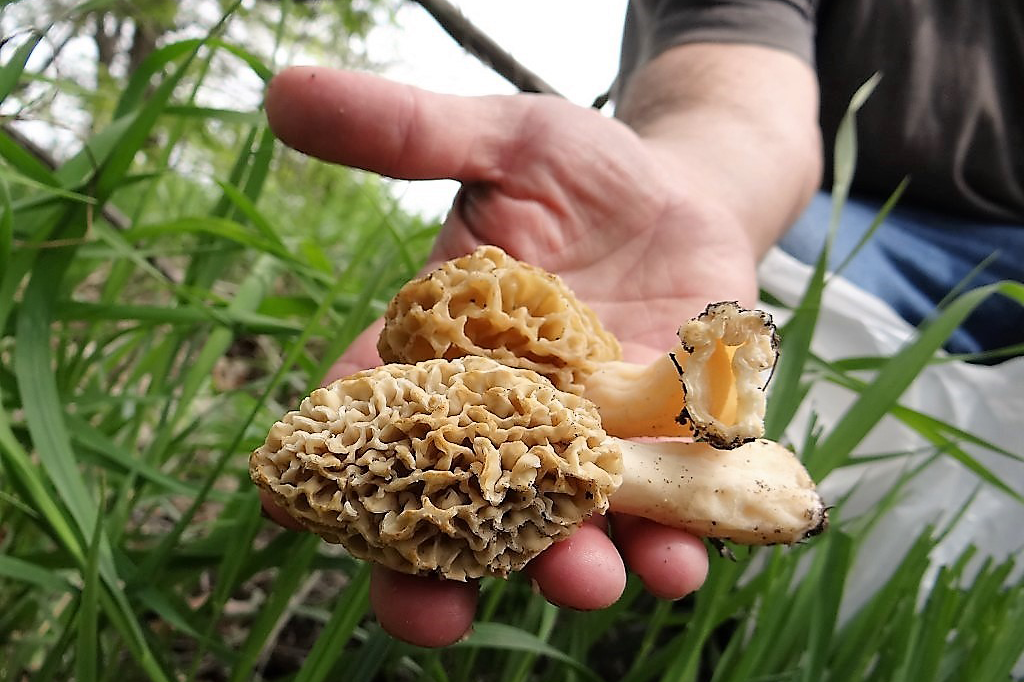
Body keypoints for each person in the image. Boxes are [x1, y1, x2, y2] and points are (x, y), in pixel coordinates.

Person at [259, 0, 1023, 647]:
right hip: (835, 214)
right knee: (800, 282)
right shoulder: (563, 430)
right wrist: (703, 193)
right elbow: (733, 81)